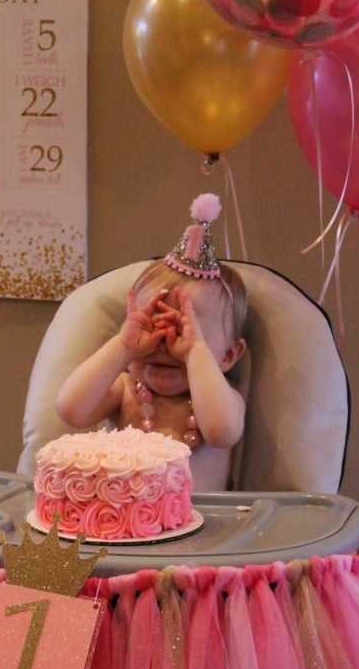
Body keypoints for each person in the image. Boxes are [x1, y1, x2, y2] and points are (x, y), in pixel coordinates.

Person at [56, 193, 248, 491]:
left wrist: (195, 353)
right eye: (152, 324)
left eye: (184, 330)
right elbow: (70, 410)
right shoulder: (125, 392)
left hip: (206, 534)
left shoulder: (222, 400)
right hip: (119, 528)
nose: (164, 342)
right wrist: (122, 347)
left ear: (228, 355)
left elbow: (222, 432)